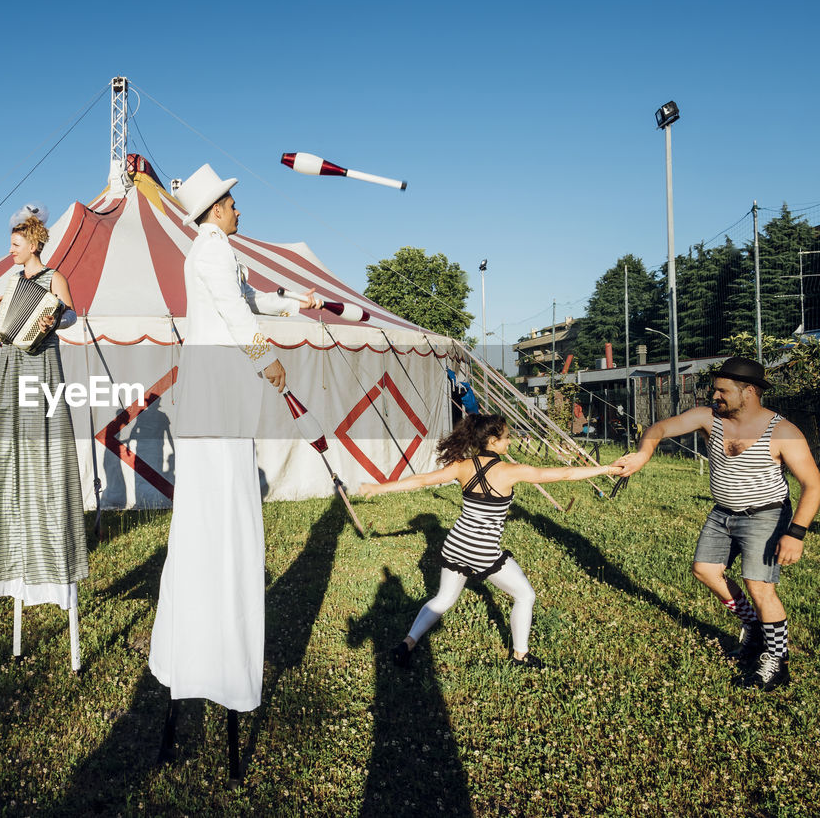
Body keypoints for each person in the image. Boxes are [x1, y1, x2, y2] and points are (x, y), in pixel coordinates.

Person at [147, 164, 320, 775]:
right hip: (219, 395)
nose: (239, 210)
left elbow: (249, 299)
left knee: (215, 513)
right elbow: (234, 312)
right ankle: (218, 641)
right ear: (216, 208)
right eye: (232, 203)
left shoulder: (216, 250)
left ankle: (207, 645)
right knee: (222, 516)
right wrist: (268, 359)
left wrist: (291, 301)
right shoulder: (212, 254)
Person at [615, 356, 818, 691]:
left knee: (759, 586)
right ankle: (753, 627)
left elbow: (813, 484)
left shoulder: (782, 432)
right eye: (715, 390)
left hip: (765, 515)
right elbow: (660, 428)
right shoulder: (710, 418)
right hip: (723, 512)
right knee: (705, 570)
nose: (715, 396)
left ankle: (776, 663)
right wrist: (643, 454)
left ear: (749, 391)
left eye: (722, 391)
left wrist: (796, 533)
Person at [358, 413, 619, 669]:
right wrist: (606, 468)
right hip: (482, 551)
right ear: (492, 441)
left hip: (455, 544)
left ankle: (407, 643)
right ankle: (520, 656)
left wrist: (378, 488)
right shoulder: (510, 471)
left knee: (444, 599)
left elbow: (422, 480)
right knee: (525, 595)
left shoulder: (462, 466)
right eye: (506, 438)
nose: (509, 442)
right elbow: (563, 474)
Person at [0, 204, 87, 614]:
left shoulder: (53, 277)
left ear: (34, 244)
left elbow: (72, 314)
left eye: (16, 244)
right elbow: (6, 318)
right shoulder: (12, 281)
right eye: (11, 244)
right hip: (10, 361)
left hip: (39, 360)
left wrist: (52, 321)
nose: (11, 250)